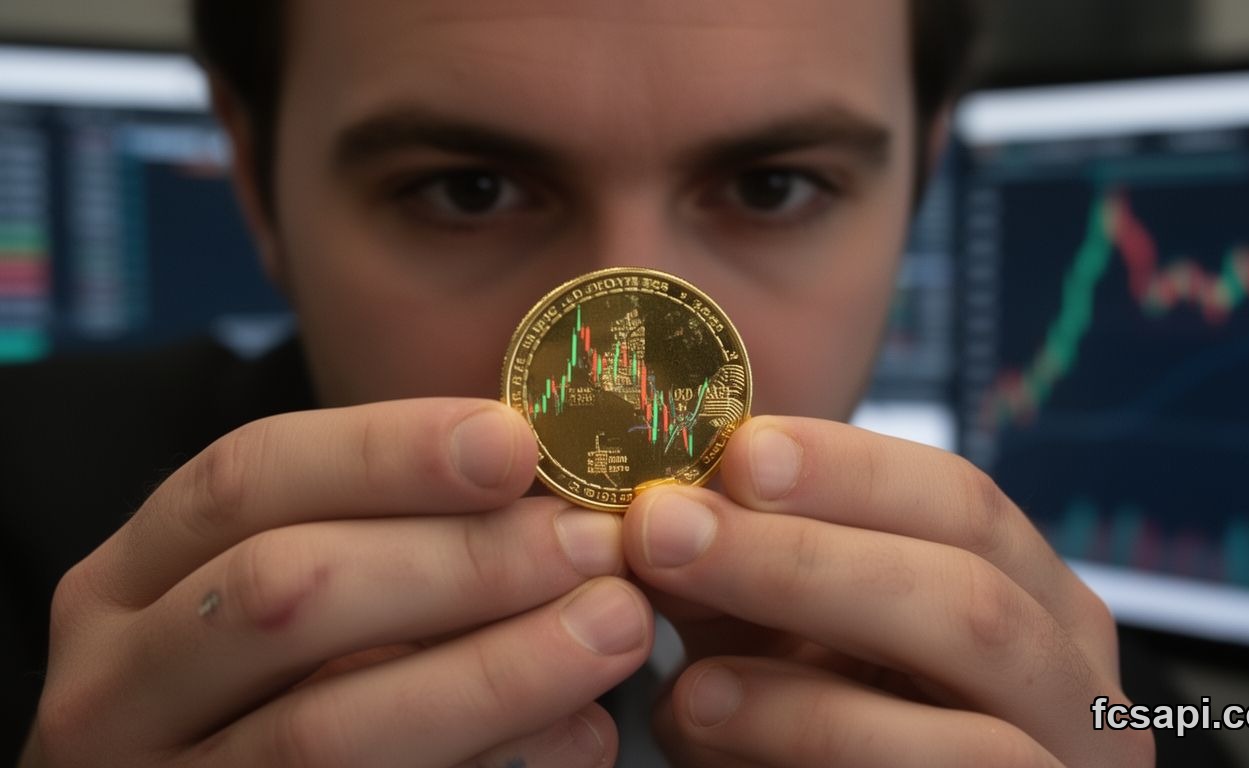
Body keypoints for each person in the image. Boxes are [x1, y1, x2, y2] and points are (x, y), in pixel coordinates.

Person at [5, 1, 1166, 765]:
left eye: (770, 187)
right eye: (467, 190)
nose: (629, 347)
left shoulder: (1064, 680)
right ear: (256, 181)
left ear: (917, 182)